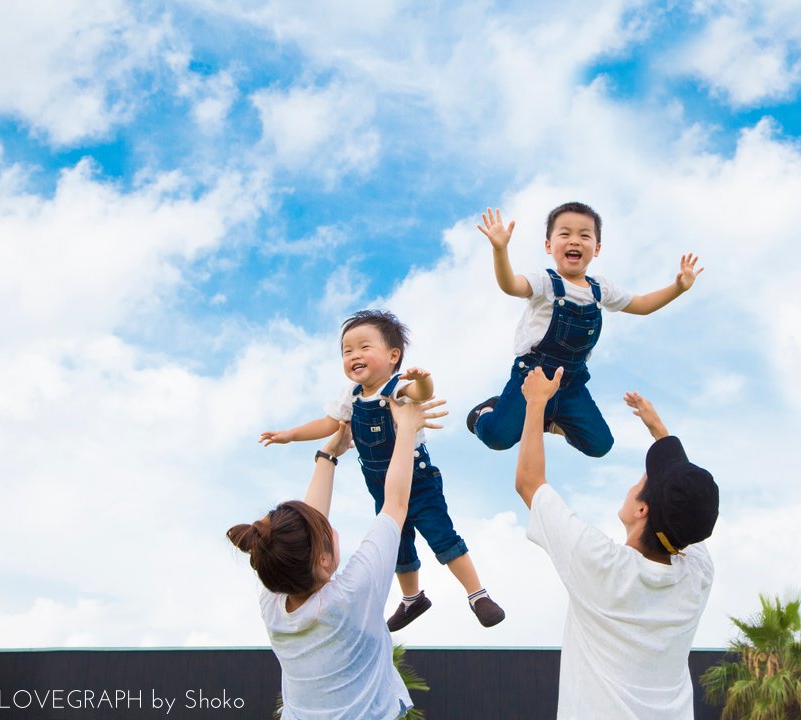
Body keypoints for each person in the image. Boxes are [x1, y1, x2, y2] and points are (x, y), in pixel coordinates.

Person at [259, 310, 505, 630]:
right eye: (347, 351)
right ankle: (412, 599)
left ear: (393, 356)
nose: (354, 355)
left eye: (364, 347)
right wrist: (289, 435)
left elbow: (422, 394)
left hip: (417, 481)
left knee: (441, 536)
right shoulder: (351, 396)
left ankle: (477, 594)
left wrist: (422, 379)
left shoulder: (396, 386)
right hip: (381, 485)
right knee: (395, 545)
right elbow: (328, 423)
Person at [515, 365, 718, 719]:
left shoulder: (603, 565)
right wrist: (660, 434)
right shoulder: (695, 576)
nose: (638, 478)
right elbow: (689, 507)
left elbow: (530, 483)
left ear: (642, 508)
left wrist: (536, 402)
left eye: (643, 478)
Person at [229, 397, 445, 720]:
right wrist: (407, 430)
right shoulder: (351, 595)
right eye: (327, 530)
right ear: (323, 561)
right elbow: (397, 504)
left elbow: (302, 535)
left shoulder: (273, 600)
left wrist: (328, 454)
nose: (330, 526)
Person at [468, 203, 703, 457]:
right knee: (497, 437)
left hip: (571, 383)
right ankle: (486, 412)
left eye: (584, 235)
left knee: (600, 445)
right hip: (533, 377)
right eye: (565, 234)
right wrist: (500, 249)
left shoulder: (600, 289)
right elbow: (511, 285)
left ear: (597, 248)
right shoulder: (545, 281)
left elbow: (643, 305)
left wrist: (678, 288)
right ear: (549, 245)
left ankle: (548, 420)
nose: (575, 241)